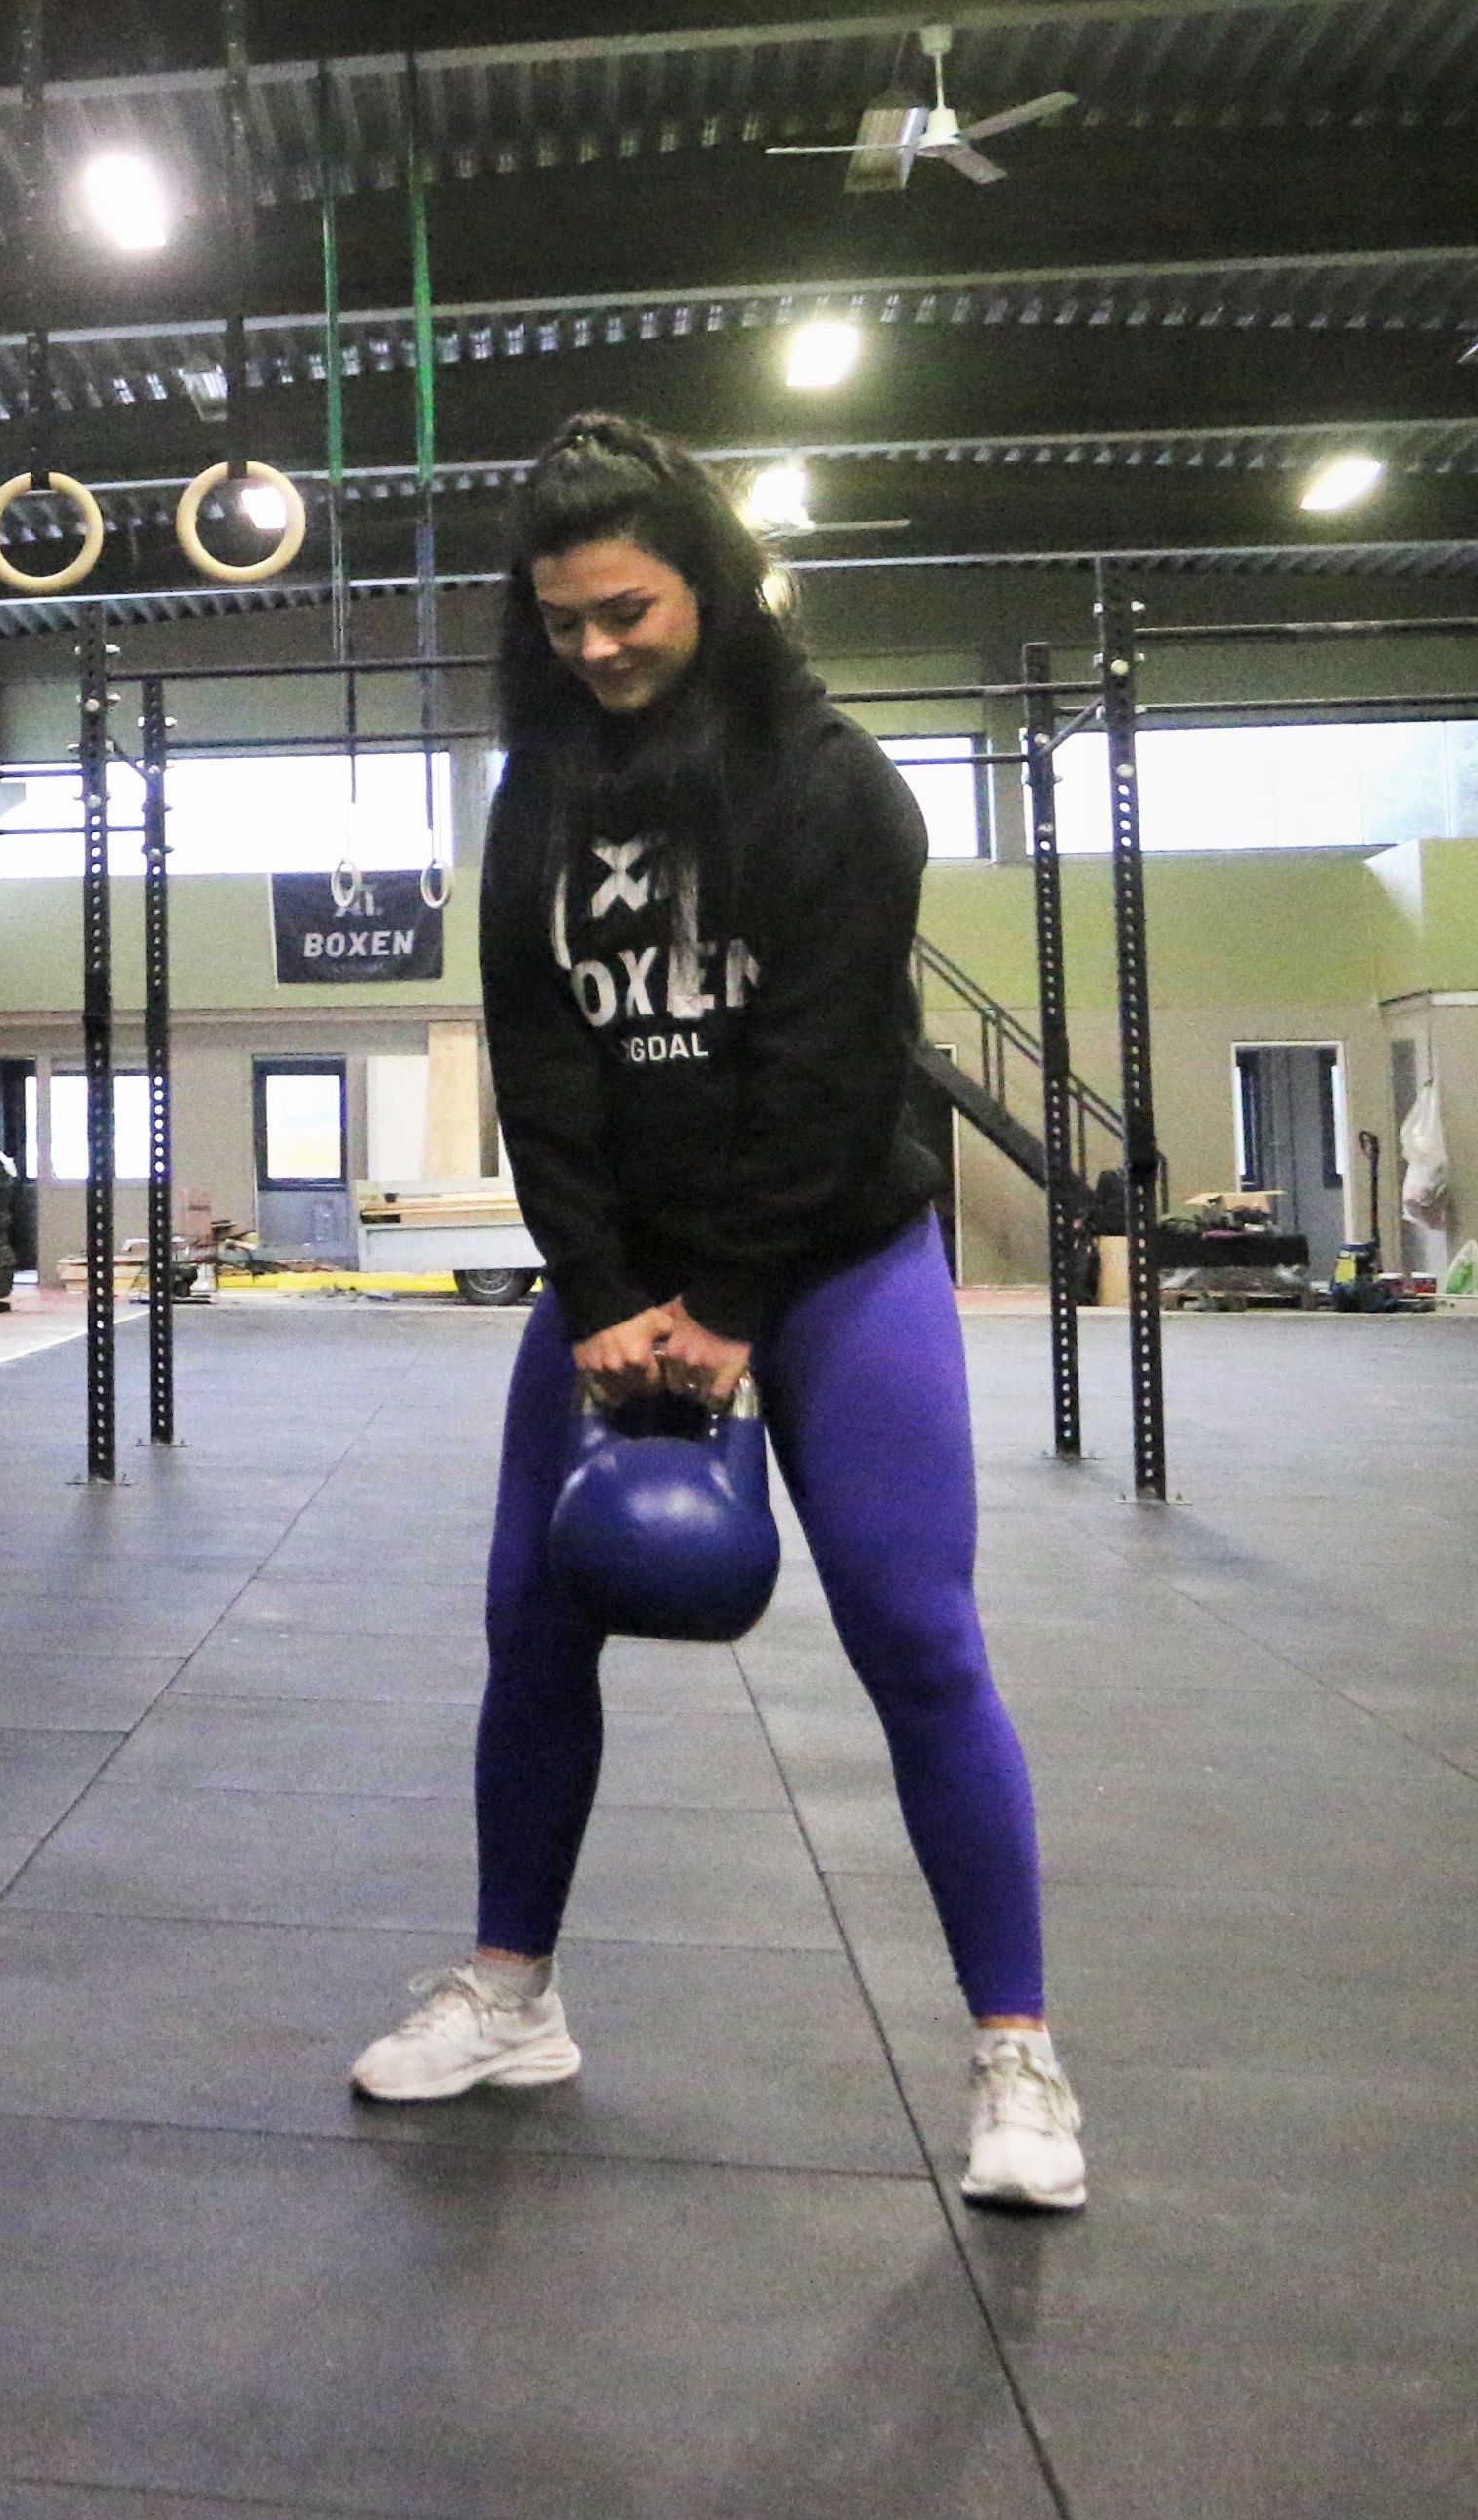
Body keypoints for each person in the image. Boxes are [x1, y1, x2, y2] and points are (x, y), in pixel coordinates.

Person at [346, 412, 1087, 2216]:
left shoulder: (836, 787)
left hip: (831, 1265)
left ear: (712, 588)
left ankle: (1018, 2058)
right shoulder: (540, 792)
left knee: (919, 1639)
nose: (597, 647)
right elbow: (539, 1056)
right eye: (563, 623)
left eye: (629, 611)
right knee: (532, 1622)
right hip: (622, 1285)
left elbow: (833, 1071)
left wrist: (733, 1301)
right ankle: (511, 1995)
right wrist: (603, 1292)